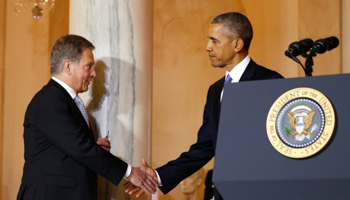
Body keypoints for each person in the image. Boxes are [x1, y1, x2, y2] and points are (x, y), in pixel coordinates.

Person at [125, 12, 284, 199]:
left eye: (215, 41)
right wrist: (159, 176)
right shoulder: (215, 90)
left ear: (237, 44)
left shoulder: (270, 82)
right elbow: (204, 147)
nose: (208, 47)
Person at [17, 35, 157, 200]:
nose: (94, 74)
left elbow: (69, 146)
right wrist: (129, 172)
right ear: (68, 66)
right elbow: (79, 147)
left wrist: (94, 148)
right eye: (88, 66)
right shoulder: (50, 99)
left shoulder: (65, 100)